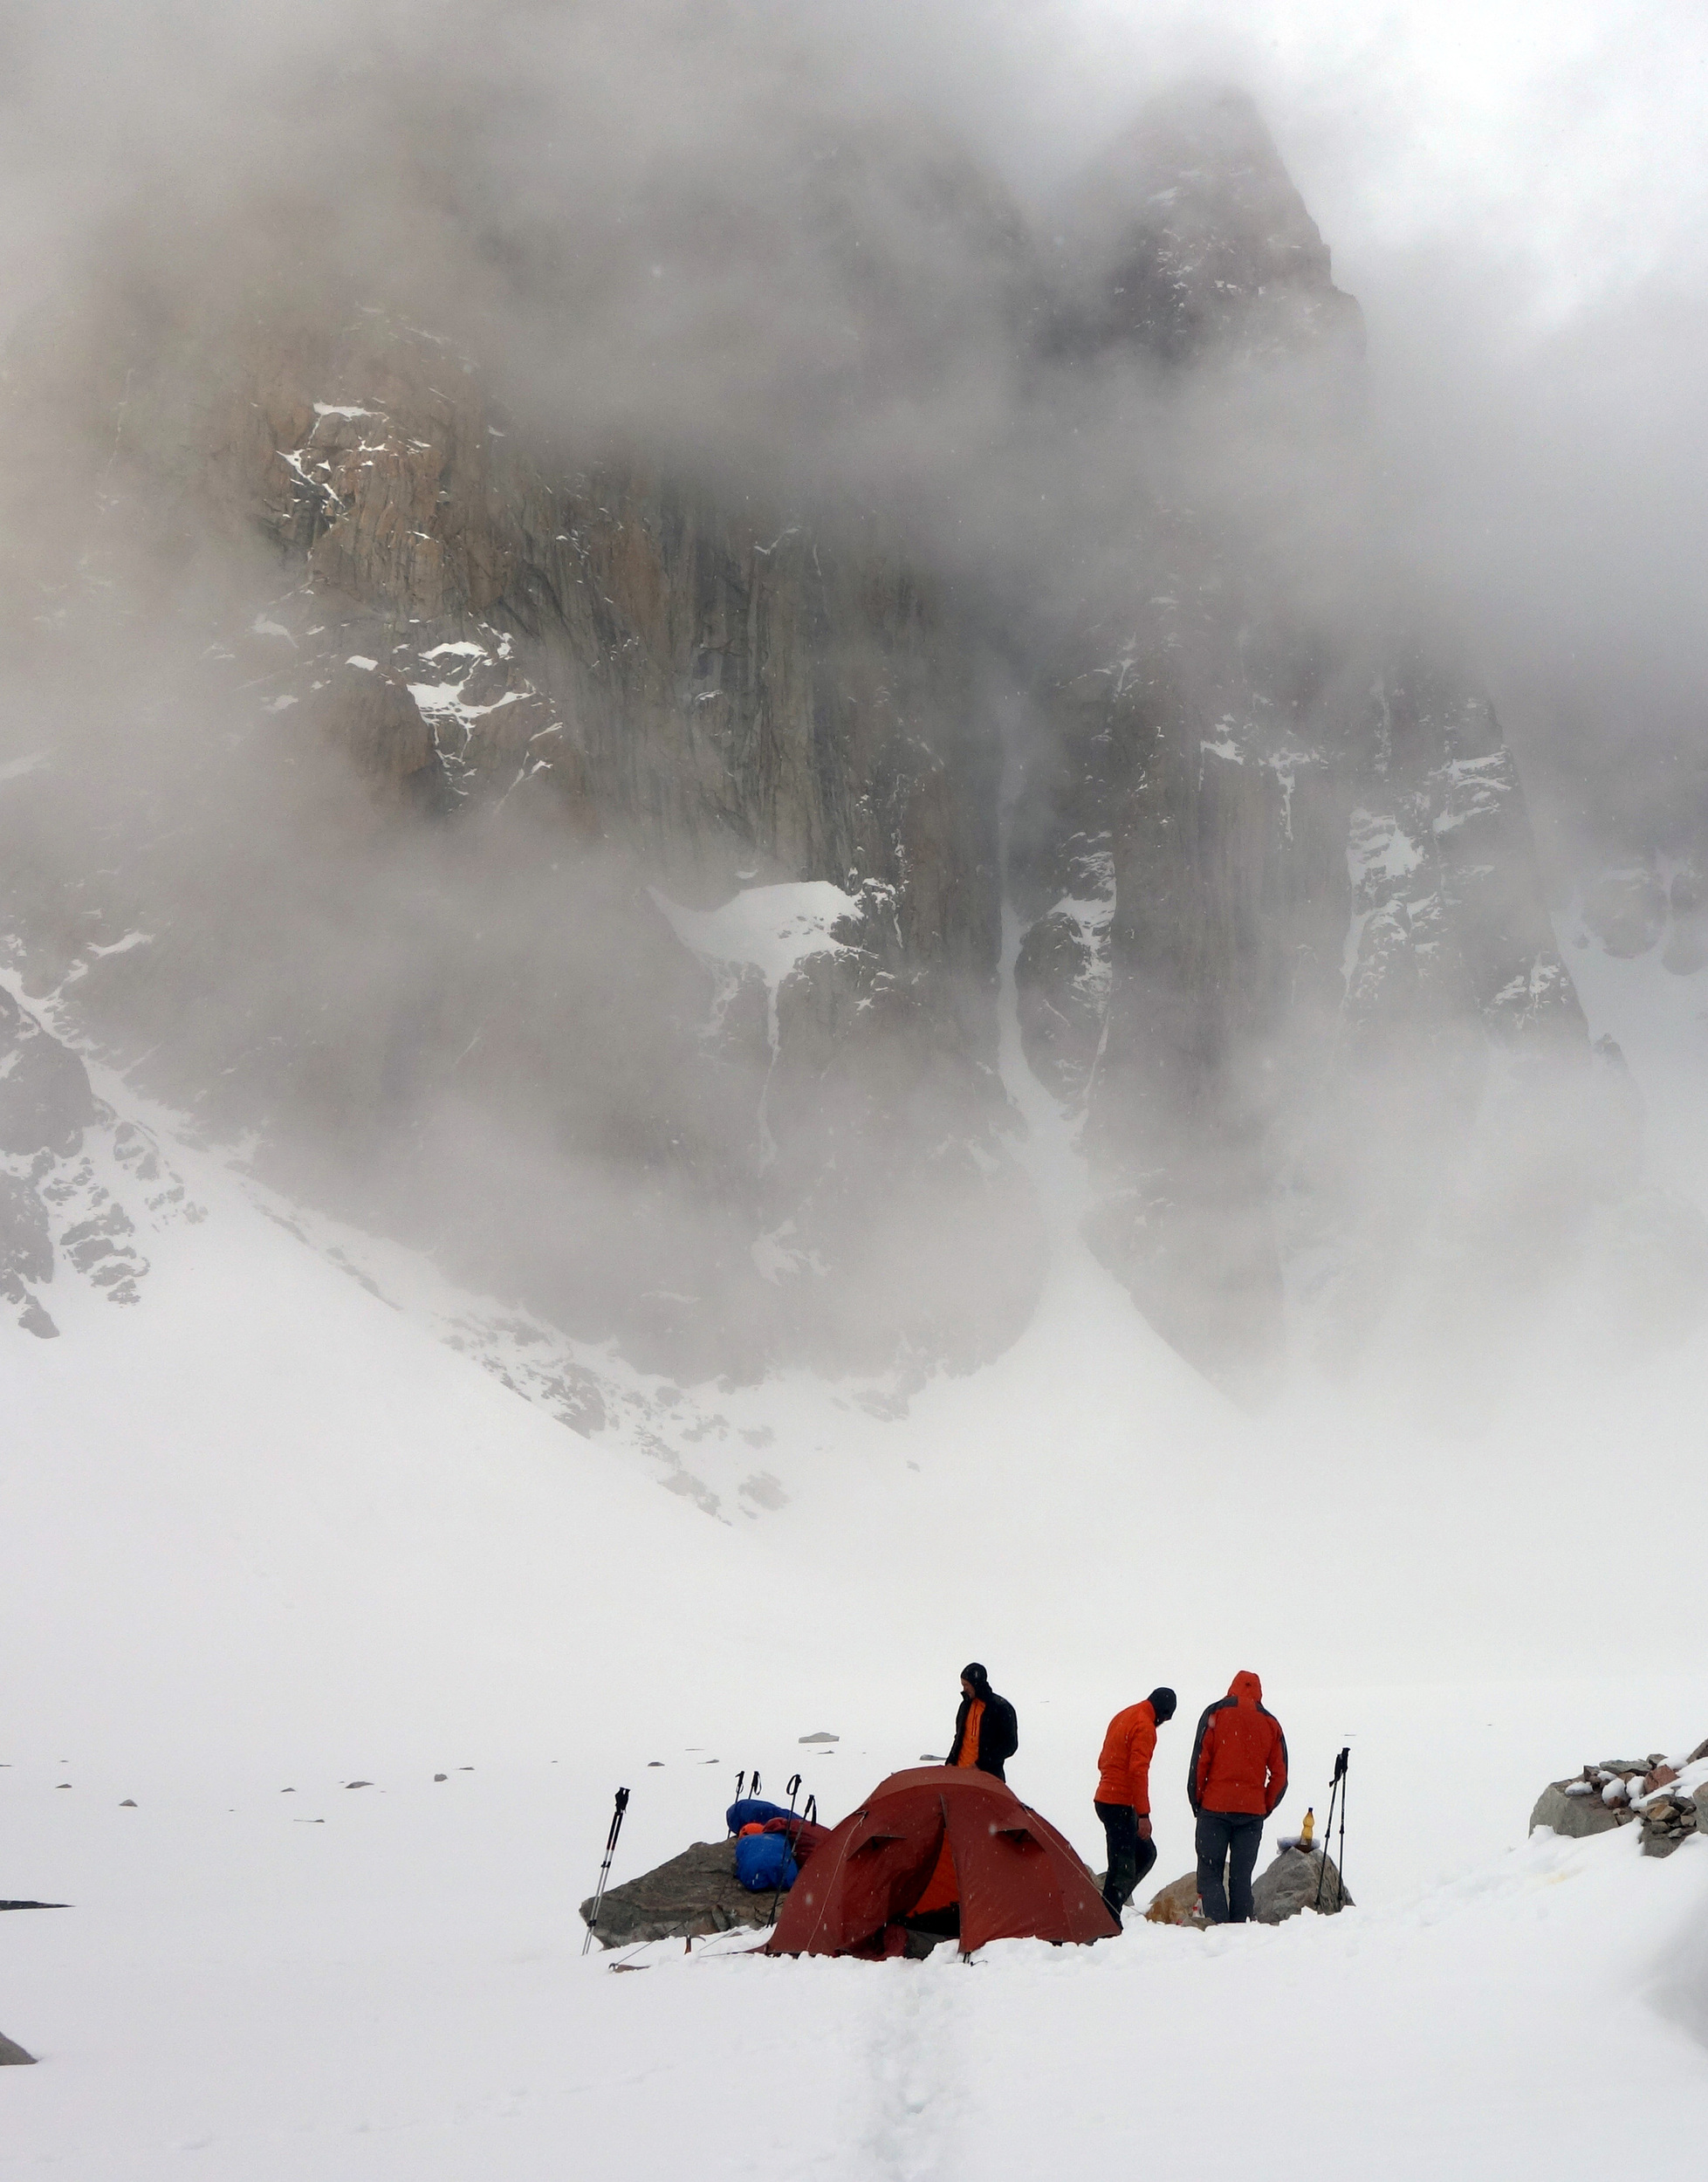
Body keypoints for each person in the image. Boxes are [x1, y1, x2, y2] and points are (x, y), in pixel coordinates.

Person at [1187, 1670, 1287, 1925]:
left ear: (1232, 1687)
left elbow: (1200, 1761)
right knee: (1241, 1878)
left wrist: (1197, 1800)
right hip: (1251, 1813)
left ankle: (1217, 1928)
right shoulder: (1271, 1723)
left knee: (1210, 1874)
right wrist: (1264, 1806)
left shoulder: (1216, 1713)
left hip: (1214, 1808)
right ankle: (1241, 1933)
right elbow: (1280, 1775)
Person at [1094, 1686, 1176, 1921]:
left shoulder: (1124, 1716)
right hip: (1119, 1803)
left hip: (1105, 1799)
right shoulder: (1145, 1726)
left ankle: (1109, 1909)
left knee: (1138, 1855)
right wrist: (1144, 1815)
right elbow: (1138, 1772)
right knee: (1127, 1865)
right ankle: (1107, 1918)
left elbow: (1104, 1759)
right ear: (1163, 1714)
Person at [946, 1662, 1019, 1781]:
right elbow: (959, 1737)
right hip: (960, 1775)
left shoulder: (1001, 1708)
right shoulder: (965, 1706)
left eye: (966, 1685)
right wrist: (951, 1761)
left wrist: (981, 1765)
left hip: (988, 1778)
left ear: (976, 1684)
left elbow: (1009, 1745)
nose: (964, 1689)